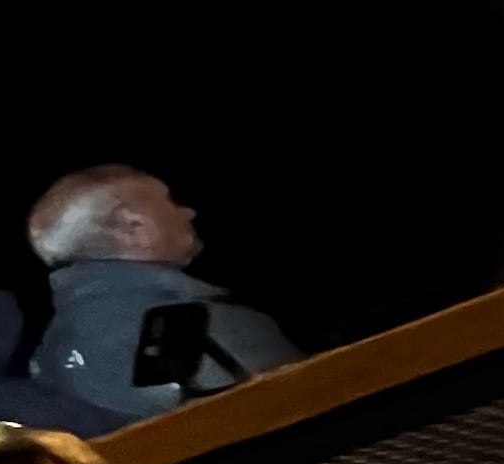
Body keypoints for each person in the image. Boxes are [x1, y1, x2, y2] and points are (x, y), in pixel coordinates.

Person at [22, 164, 305, 427]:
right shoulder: (200, 322)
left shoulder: (48, 356)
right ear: (135, 229)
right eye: (171, 201)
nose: (188, 212)